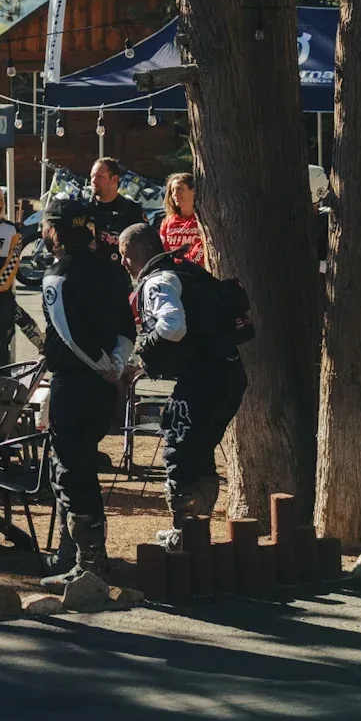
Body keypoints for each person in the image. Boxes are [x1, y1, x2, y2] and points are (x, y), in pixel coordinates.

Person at [119, 223, 247, 551]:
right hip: (229, 376)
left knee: (178, 447)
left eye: (124, 255)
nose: (123, 264)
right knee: (198, 451)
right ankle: (195, 534)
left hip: (204, 380)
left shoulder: (157, 281)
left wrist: (144, 349)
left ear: (139, 252)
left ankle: (183, 535)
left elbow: (173, 325)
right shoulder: (186, 272)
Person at [37, 196, 137, 588]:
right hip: (102, 384)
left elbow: (69, 333)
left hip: (77, 381)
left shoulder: (56, 275)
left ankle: (88, 562)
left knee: (71, 472)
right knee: (81, 469)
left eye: (48, 227)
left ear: (57, 232)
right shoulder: (111, 271)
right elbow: (127, 325)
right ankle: (77, 554)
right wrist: (115, 362)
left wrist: (104, 366)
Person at [88, 157, 146, 265]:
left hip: (120, 275)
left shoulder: (132, 210)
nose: (93, 181)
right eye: (92, 176)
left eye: (100, 177)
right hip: (89, 274)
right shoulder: (83, 208)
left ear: (114, 179)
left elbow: (144, 246)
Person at [158, 173, 204, 265]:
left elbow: (201, 250)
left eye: (180, 189)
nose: (175, 194)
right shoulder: (168, 222)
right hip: (173, 272)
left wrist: (182, 265)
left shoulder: (203, 221)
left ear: (193, 190)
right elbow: (163, 250)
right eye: (172, 190)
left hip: (197, 273)